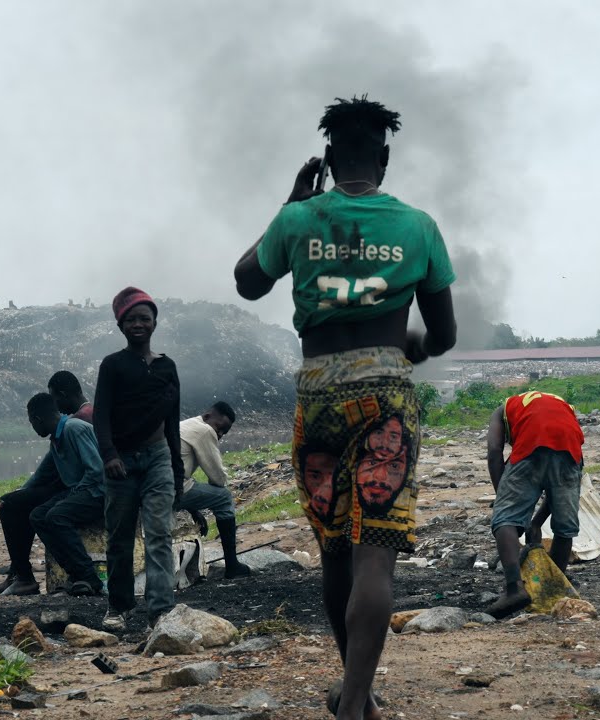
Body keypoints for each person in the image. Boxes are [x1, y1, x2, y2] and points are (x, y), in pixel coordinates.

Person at [233, 96, 457, 720]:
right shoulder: (418, 226)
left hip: (317, 392)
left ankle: (354, 689)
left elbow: (247, 280)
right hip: (385, 391)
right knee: (374, 552)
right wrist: (412, 344)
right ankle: (356, 698)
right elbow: (443, 334)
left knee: (334, 550)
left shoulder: (301, 218)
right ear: (384, 158)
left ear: (329, 158)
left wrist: (290, 205)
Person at [93, 287, 184, 632]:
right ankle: (118, 606)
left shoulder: (167, 367)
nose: (138, 324)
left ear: (154, 322)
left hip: (158, 457)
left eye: (144, 318)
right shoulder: (113, 366)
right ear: (121, 325)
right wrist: (109, 456)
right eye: (130, 319)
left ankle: (160, 611)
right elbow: (100, 417)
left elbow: (172, 423)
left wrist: (177, 471)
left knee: (159, 533)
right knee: (119, 536)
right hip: (122, 463)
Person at [484, 390, 586, 619]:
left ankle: (514, 589)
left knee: (505, 520)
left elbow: (493, 452)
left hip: (530, 446)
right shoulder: (561, 404)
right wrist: (536, 522)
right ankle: (556, 590)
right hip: (570, 450)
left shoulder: (502, 410)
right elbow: (555, 487)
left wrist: (503, 497)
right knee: (564, 527)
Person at [0, 392, 106, 596]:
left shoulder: (74, 429)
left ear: (38, 419)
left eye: (32, 422)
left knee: (56, 516)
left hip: (98, 492)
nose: (33, 428)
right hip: (82, 490)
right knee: (37, 516)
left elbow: (96, 471)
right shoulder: (57, 437)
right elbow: (42, 474)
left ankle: (88, 577)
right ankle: (67, 575)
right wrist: (18, 494)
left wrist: (72, 494)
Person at [177, 401, 251, 579]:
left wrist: (193, 508)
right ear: (208, 416)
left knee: (196, 486)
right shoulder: (204, 430)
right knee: (224, 498)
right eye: (219, 428)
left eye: (224, 433)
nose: (219, 434)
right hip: (171, 489)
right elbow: (218, 478)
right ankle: (232, 566)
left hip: (158, 484)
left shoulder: (187, 424)